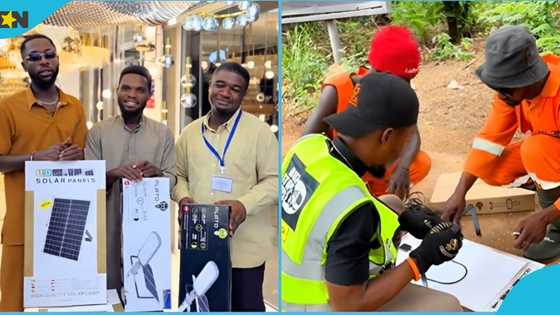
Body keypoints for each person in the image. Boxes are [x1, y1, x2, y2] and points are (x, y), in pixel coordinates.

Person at [282, 72, 463, 312]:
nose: (401, 154)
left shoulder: (308, 145)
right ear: (387, 136)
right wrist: (421, 259)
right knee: (447, 307)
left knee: (392, 203)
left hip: (293, 285)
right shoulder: (355, 212)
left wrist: (405, 218)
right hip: (319, 305)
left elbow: (331, 207)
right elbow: (349, 304)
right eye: (404, 142)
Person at [442, 25, 560, 262]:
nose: (498, 92)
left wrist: (548, 216)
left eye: (504, 85)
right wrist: (460, 192)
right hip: (552, 154)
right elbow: (488, 140)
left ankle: (558, 230)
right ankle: (547, 185)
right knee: (492, 167)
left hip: (547, 152)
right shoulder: (511, 95)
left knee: (535, 149)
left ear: (527, 79)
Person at [173, 62, 278, 311]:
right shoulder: (189, 134)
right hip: (200, 245)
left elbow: (275, 181)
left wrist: (244, 204)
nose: (225, 93)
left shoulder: (260, 133)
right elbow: (177, 176)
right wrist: (184, 198)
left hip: (245, 250)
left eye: (234, 88)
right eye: (220, 85)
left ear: (242, 94)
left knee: (245, 307)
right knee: (200, 307)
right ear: (210, 86)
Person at [0, 34, 87, 311]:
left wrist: (79, 155)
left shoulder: (75, 106)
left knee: (62, 301)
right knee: (14, 302)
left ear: (58, 58)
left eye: (49, 55)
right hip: (21, 224)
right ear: (24, 65)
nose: (44, 62)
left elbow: (84, 158)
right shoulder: (8, 108)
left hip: (66, 224)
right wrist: (36, 157)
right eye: (35, 58)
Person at [303, 25, 431, 199]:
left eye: (408, 81)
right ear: (379, 71)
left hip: (374, 165)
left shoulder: (394, 95)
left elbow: (413, 135)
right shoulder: (339, 89)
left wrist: (403, 169)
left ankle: (377, 197)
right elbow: (306, 141)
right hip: (342, 165)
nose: (405, 88)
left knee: (420, 164)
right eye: (401, 81)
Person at [85, 65, 176, 290]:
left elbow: (173, 179)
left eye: (139, 90)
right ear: (117, 91)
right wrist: (114, 174)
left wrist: (158, 175)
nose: (132, 95)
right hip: (106, 225)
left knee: (144, 291)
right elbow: (87, 182)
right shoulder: (98, 132)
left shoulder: (162, 133)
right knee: (107, 290)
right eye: (126, 88)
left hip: (148, 226)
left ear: (148, 95)